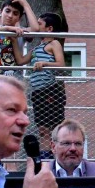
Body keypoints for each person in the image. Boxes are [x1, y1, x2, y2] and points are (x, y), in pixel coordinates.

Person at [28, 12, 69, 153]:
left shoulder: (54, 43)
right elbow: (21, 60)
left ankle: (57, 154)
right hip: (37, 92)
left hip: (49, 89)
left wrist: (44, 63)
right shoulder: (36, 48)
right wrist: (15, 39)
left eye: (39, 24)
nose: (36, 25)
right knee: (42, 128)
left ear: (49, 29)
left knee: (54, 127)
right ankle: (46, 155)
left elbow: (61, 64)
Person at [0, 0, 41, 76]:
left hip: (15, 80)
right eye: (7, 11)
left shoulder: (21, 31)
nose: (10, 16)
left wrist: (25, 4)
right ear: (1, 11)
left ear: (19, 18)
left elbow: (35, 29)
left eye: (15, 13)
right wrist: (8, 29)